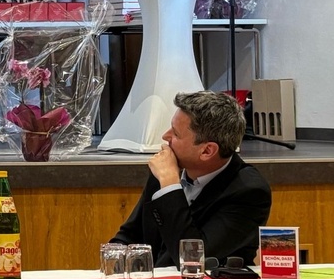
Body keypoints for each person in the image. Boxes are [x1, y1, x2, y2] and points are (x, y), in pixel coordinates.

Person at [111, 91, 272, 266]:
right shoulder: (167, 169)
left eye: (176, 134)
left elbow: (192, 259)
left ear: (207, 151)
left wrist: (170, 186)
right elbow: (130, 236)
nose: (165, 137)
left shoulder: (249, 192)